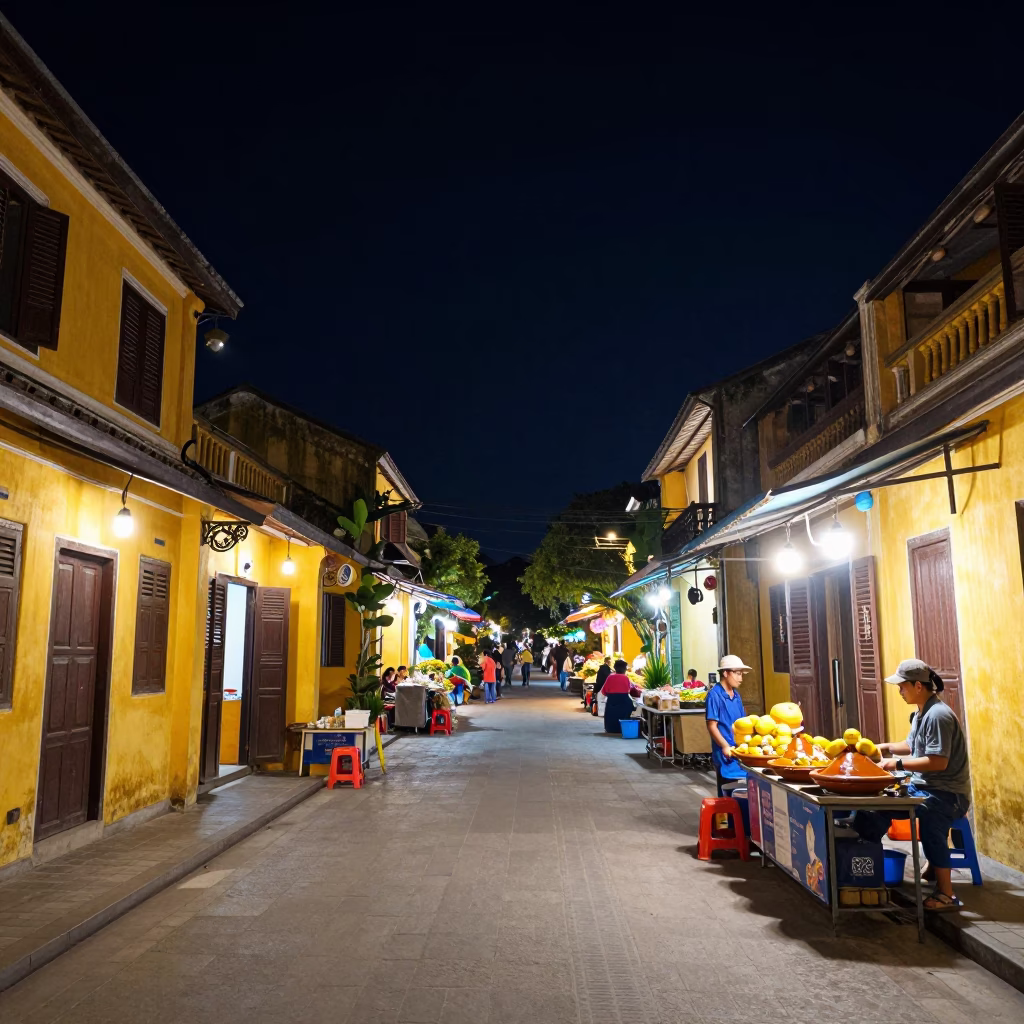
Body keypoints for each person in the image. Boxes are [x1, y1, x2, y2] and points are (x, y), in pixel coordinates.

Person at [850, 659, 972, 912]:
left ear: (918, 686)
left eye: (902, 687)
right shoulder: (921, 712)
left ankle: (947, 893)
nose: (899, 691)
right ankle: (868, 874)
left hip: (947, 793)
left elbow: (937, 762)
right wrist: (883, 748)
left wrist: (895, 765)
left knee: (930, 825)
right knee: (873, 811)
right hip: (922, 787)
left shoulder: (938, 715)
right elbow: (913, 746)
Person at [706, 654, 752, 796]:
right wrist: (725, 745)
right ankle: (727, 818)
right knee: (727, 792)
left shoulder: (736, 695)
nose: (740, 678)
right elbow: (712, 725)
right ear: (725, 673)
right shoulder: (714, 695)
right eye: (737, 674)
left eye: (741, 674)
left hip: (739, 751)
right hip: (724, 753)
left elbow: (742, 723)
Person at [601, 660, 635, 734]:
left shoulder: (610, 677)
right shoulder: (625, 678)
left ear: (615, 668)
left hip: (611, 701)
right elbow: (629, 690)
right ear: (625, 669)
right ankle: (623, 727)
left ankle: (610, 729)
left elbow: (603, 691)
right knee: (631, 706)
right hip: (624, 701)